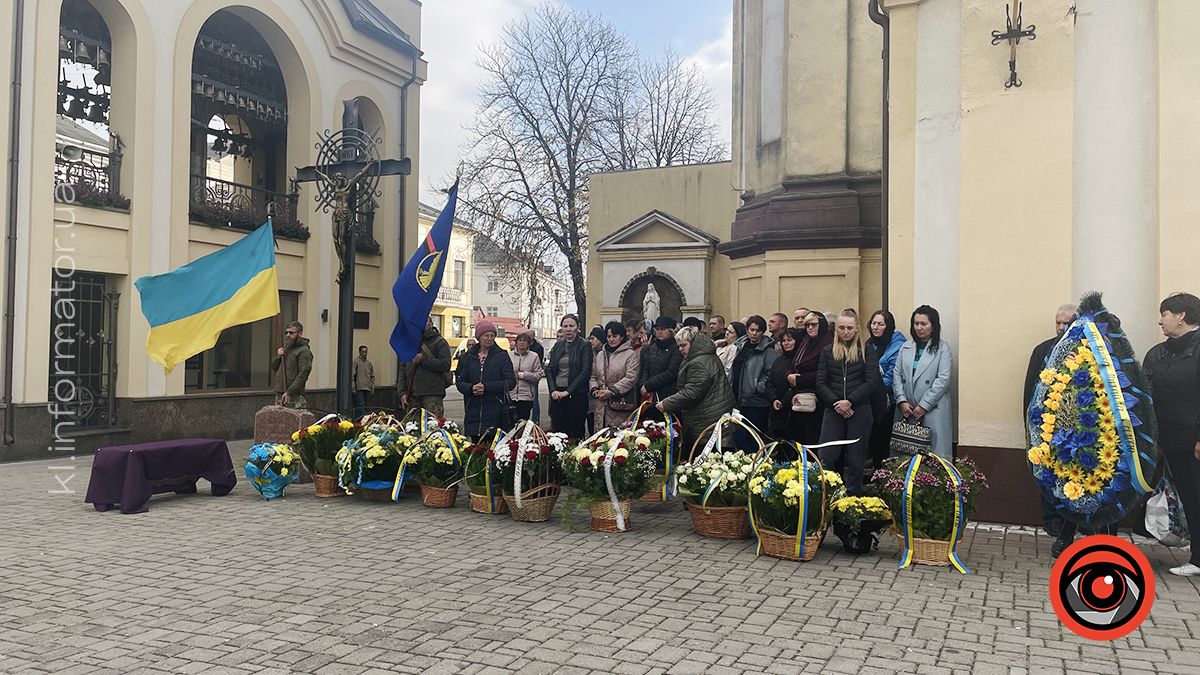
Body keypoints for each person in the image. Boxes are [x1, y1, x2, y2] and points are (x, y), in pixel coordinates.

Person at [1144, 292, 1200, 576]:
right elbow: (1147, 392)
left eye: (1165, 314)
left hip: (1195, 441)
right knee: (1190, 496)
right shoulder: (1158, 353)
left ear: (1181, 316)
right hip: (1169, 440)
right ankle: (1197, 557)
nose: (1160, 321)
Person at [1023, 303, 1077, 537]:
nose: (1061, 327)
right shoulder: (1043, 350)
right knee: (1048, 473)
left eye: (1066, 323)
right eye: (1058, 322)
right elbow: (1030, 388)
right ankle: (1051, 518)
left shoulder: (1084, 351)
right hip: (1045, 425)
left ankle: (1075, 518)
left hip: (1075, 427)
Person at [816, 309, 880, 496]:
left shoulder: (867, 351)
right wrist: (837, 403)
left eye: (849, 328)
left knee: (855, 458)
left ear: (857, 329)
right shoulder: (828, 351)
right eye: (842, 328)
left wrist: (850, 401)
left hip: (859, 409)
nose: (846, 332)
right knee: (827, 456)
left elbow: (871, 381)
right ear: (836, 329)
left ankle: (852, 499)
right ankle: (829, 495)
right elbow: (820, 383)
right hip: (833, 409)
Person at [658, 326, 735, 457]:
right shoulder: (705, 356)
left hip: (708, 418)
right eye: (679, 346)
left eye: (683, 345)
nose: (680, 349)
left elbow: (693, 392)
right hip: (714, 415)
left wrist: (666, 403)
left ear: (693, 344)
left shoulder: (698, 362)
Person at [892, 305, 954, 459]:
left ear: (933, 325)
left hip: (932, 409)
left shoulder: (943, 348)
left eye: (924, 324)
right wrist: (901, 400)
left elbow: (943, 379)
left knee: (933, 455)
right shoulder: (905, 347)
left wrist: (924, 405)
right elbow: (897, 375)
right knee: (905, 454)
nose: (919, 328)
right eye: (916, 323)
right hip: (907, 409)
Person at [455, 320, 516, 439]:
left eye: (492, 335)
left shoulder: (502, 356)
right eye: (486, 335)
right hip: (473, 410)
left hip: (495, 411)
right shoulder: (468, 357)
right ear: (479, 337)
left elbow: (510, 382)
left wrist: (487, 387)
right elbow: (460, 382)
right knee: (475, 448)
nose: (489, 338)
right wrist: (471, 388)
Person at [865, 310, 907, 473]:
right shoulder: (870, 343)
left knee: (883, 440)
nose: (875, 327)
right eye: (873, 323)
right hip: (870, 399)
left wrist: (869, 386)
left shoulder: (897, 345)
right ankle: (876, 471)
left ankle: (884, 475)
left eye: (880, 324)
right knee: (873, 439)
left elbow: (892, 375)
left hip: (886, 401)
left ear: (888, 326)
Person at [730, 315, 775, 448]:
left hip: (756, 401)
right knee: (738, 437)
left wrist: (759, 386)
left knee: (750, 438)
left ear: (762, 332)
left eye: (758, 330)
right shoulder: (741, 345)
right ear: (747, 330)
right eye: (752, 329)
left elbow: (770, 372)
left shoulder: (767, 349)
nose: (754, 333)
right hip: (739, 398)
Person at [547, 314, 593, 439]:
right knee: (559, 432)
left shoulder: (585, 345)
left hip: (576, 394)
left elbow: (585, 371)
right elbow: (550, 369)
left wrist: (568, 391)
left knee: (575, 431)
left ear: (577, 327)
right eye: (565, 326)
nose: (568, 329)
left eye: (571, 326)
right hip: (557, 394)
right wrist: (553, 390)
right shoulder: (558, 345)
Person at [590, 321, 641, 431]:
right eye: (608, 336)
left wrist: (612, 391)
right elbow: (593, 376)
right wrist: (594, 389)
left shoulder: (630, 354)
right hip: (600, 404)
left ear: (622, 337)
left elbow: (631, 377)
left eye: (615, 336)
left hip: (620, 404)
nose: (611, 339)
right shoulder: (600, 354)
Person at [791, 312, 832, 445]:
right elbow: (794, 363)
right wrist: (789, 375)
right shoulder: (805, 342)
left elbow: (825, 372)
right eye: (807, 325)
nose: (810, 328)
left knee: (813, 438)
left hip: (818, 398)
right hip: (800, 397)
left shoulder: (828, 342)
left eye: (814, 325)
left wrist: (800, 379)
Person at [398, 317, 452, 417]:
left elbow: (445, 364)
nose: (423, 323)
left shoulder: (439, 342)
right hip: (412, 395)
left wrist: (423, 360)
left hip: (432, 394)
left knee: (433, 427)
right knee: (412, 428)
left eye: (426, 320)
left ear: (431, 324)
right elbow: (402, 370)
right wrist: (402, 393)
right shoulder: (411, 343)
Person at [768, 328, 807, 441]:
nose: (786, 343)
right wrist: (774, 399)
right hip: (776, 408)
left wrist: (785, 401)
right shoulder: (778, 361)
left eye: (789, 340)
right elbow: (769, 382)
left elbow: (798, 383)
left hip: (793, 409)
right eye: (783, 340)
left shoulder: (801, 361)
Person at [639, 316, 684, 402]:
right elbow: (646, 368)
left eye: (662, 329)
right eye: (657, 329)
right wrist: (643, 385)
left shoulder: (676, 348)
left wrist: (649, 385)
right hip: (650, 395)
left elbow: (671, 372)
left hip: (668, 395)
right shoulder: (653, 346)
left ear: (670, 330)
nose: (659, 332)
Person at [271, 321, 313, 409]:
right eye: (286, 332)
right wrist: (278, 356)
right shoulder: (286, 349)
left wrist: (290, 392)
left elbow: (303, 374)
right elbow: (274, 368)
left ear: (300, 333)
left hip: (294, 396)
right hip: (280, 393)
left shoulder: (304, 351)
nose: (288, 335)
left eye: (291, 333)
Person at [509, 332, 544, 423]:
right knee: (510, 423)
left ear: (529, 343)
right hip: (511, 396)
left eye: (524, 341)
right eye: (519, 340)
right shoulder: (509, 355)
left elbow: (538, 375)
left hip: (526, 396)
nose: (522, 342)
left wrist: (523, 375)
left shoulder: (534, 356)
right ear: (516, 342)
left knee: (523, 424)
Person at [586, 325, 606, 436]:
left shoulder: (603, 353)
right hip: (591, 392)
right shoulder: (590, 352)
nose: (591, 341)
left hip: (602, 393)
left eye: (593, 338)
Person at [525, 330, 546, 424]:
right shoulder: (525, 346)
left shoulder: (538, 348)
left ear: (532, 337)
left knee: (534, 399)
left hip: (533, 375)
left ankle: (535, 420)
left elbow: (538, 363)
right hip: (523, 378)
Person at [352, 345, 375, 417]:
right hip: (359, 388)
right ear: (359, 352)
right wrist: (353, 387)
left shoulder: (369, 363)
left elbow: (372, 376)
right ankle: (360, 420)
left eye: (366, 352)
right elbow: (352, 375)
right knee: (361, 406)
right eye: (363, 352)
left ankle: (366, 420)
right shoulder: (356, 362)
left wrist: (372, 387)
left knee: (367, 406)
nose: (365, 353)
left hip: (368, 387)